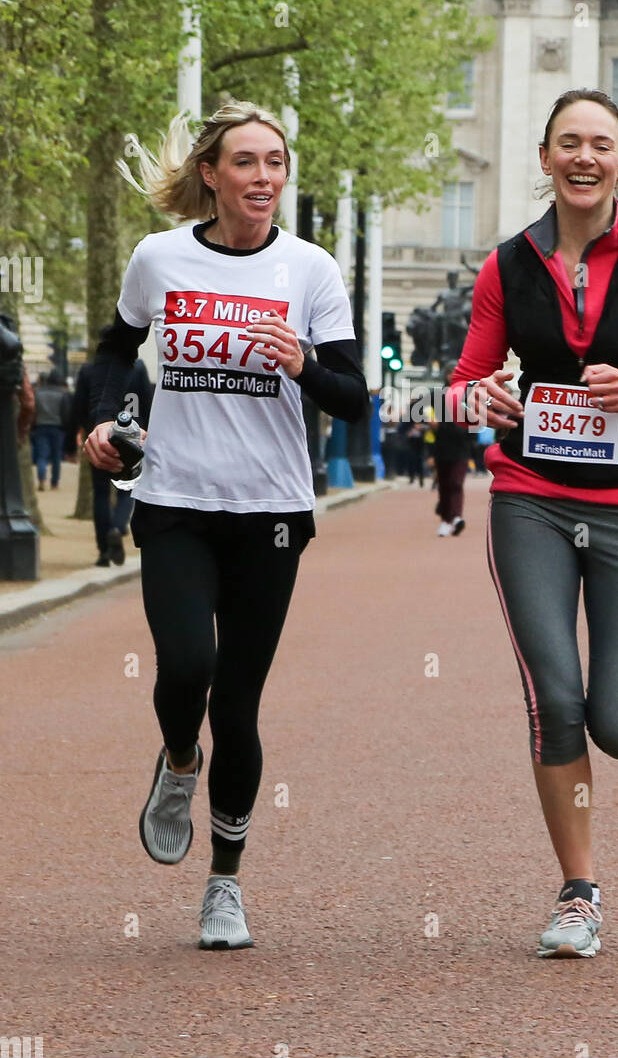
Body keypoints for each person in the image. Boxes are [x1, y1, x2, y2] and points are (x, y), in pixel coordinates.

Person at [448, 89, 618, 958]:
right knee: (553, 701)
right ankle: (579, 894)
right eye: (568, 143)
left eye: (600, 144)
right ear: (544, 159)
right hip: (529, 496)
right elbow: (462, 384)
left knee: (616, 724)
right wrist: (481, 398)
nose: (584, 157)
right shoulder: (506, 265)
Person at [83, 100, 368, 950]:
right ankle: (178, 761)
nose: (265, 178)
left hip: (272, 513)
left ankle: (224, 886)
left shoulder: (310, 269)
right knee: (188, 664)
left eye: (275, 162)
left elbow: (353, 399)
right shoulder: (159, 258)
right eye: (246, 162)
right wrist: (105, 419)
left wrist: (305, 364)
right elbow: (112, 349)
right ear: (211, 174)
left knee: (238, 702)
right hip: (174, 499)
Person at [72, 357, 154, 565]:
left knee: (100, 493)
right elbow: (147, 400)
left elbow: (79, 406)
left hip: (101, 435)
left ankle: (103, 551)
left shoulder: (90, 368)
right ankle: (118, 527)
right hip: (133, 434)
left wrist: (83, 429)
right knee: (127, 489)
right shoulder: (138, 367)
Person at [431, 362, 473, 536]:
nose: (451, 375)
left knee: (456, 483)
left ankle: (455, 517)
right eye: (449, 372)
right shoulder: (437, 395)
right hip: (442, 447)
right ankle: (446, 519)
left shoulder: (467, 395)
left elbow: (472, 423)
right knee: (444, 485)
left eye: (454, 372)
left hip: (461, 448)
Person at [30, 369, 72, 491]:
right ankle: (54, 483)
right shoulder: (63, 393)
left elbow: (34, 410)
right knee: (56, 456)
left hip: (41, 426)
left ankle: (42, 480)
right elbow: (65, 413)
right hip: (58, 428)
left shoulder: (38, 392)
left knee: (41, 456)